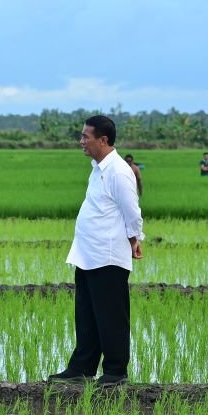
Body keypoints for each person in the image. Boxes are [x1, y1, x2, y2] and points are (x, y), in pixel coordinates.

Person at [49, 115, 144, 387]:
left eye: (85, 137)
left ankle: (115, 372)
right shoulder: (98, 167)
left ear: (103, 140)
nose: (81, 141)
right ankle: (81, 368)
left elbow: (132, 213)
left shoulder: (118, 171)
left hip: (108, 256)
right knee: (87, 315)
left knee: (111, 315)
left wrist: (134, 240)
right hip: (88, 254)